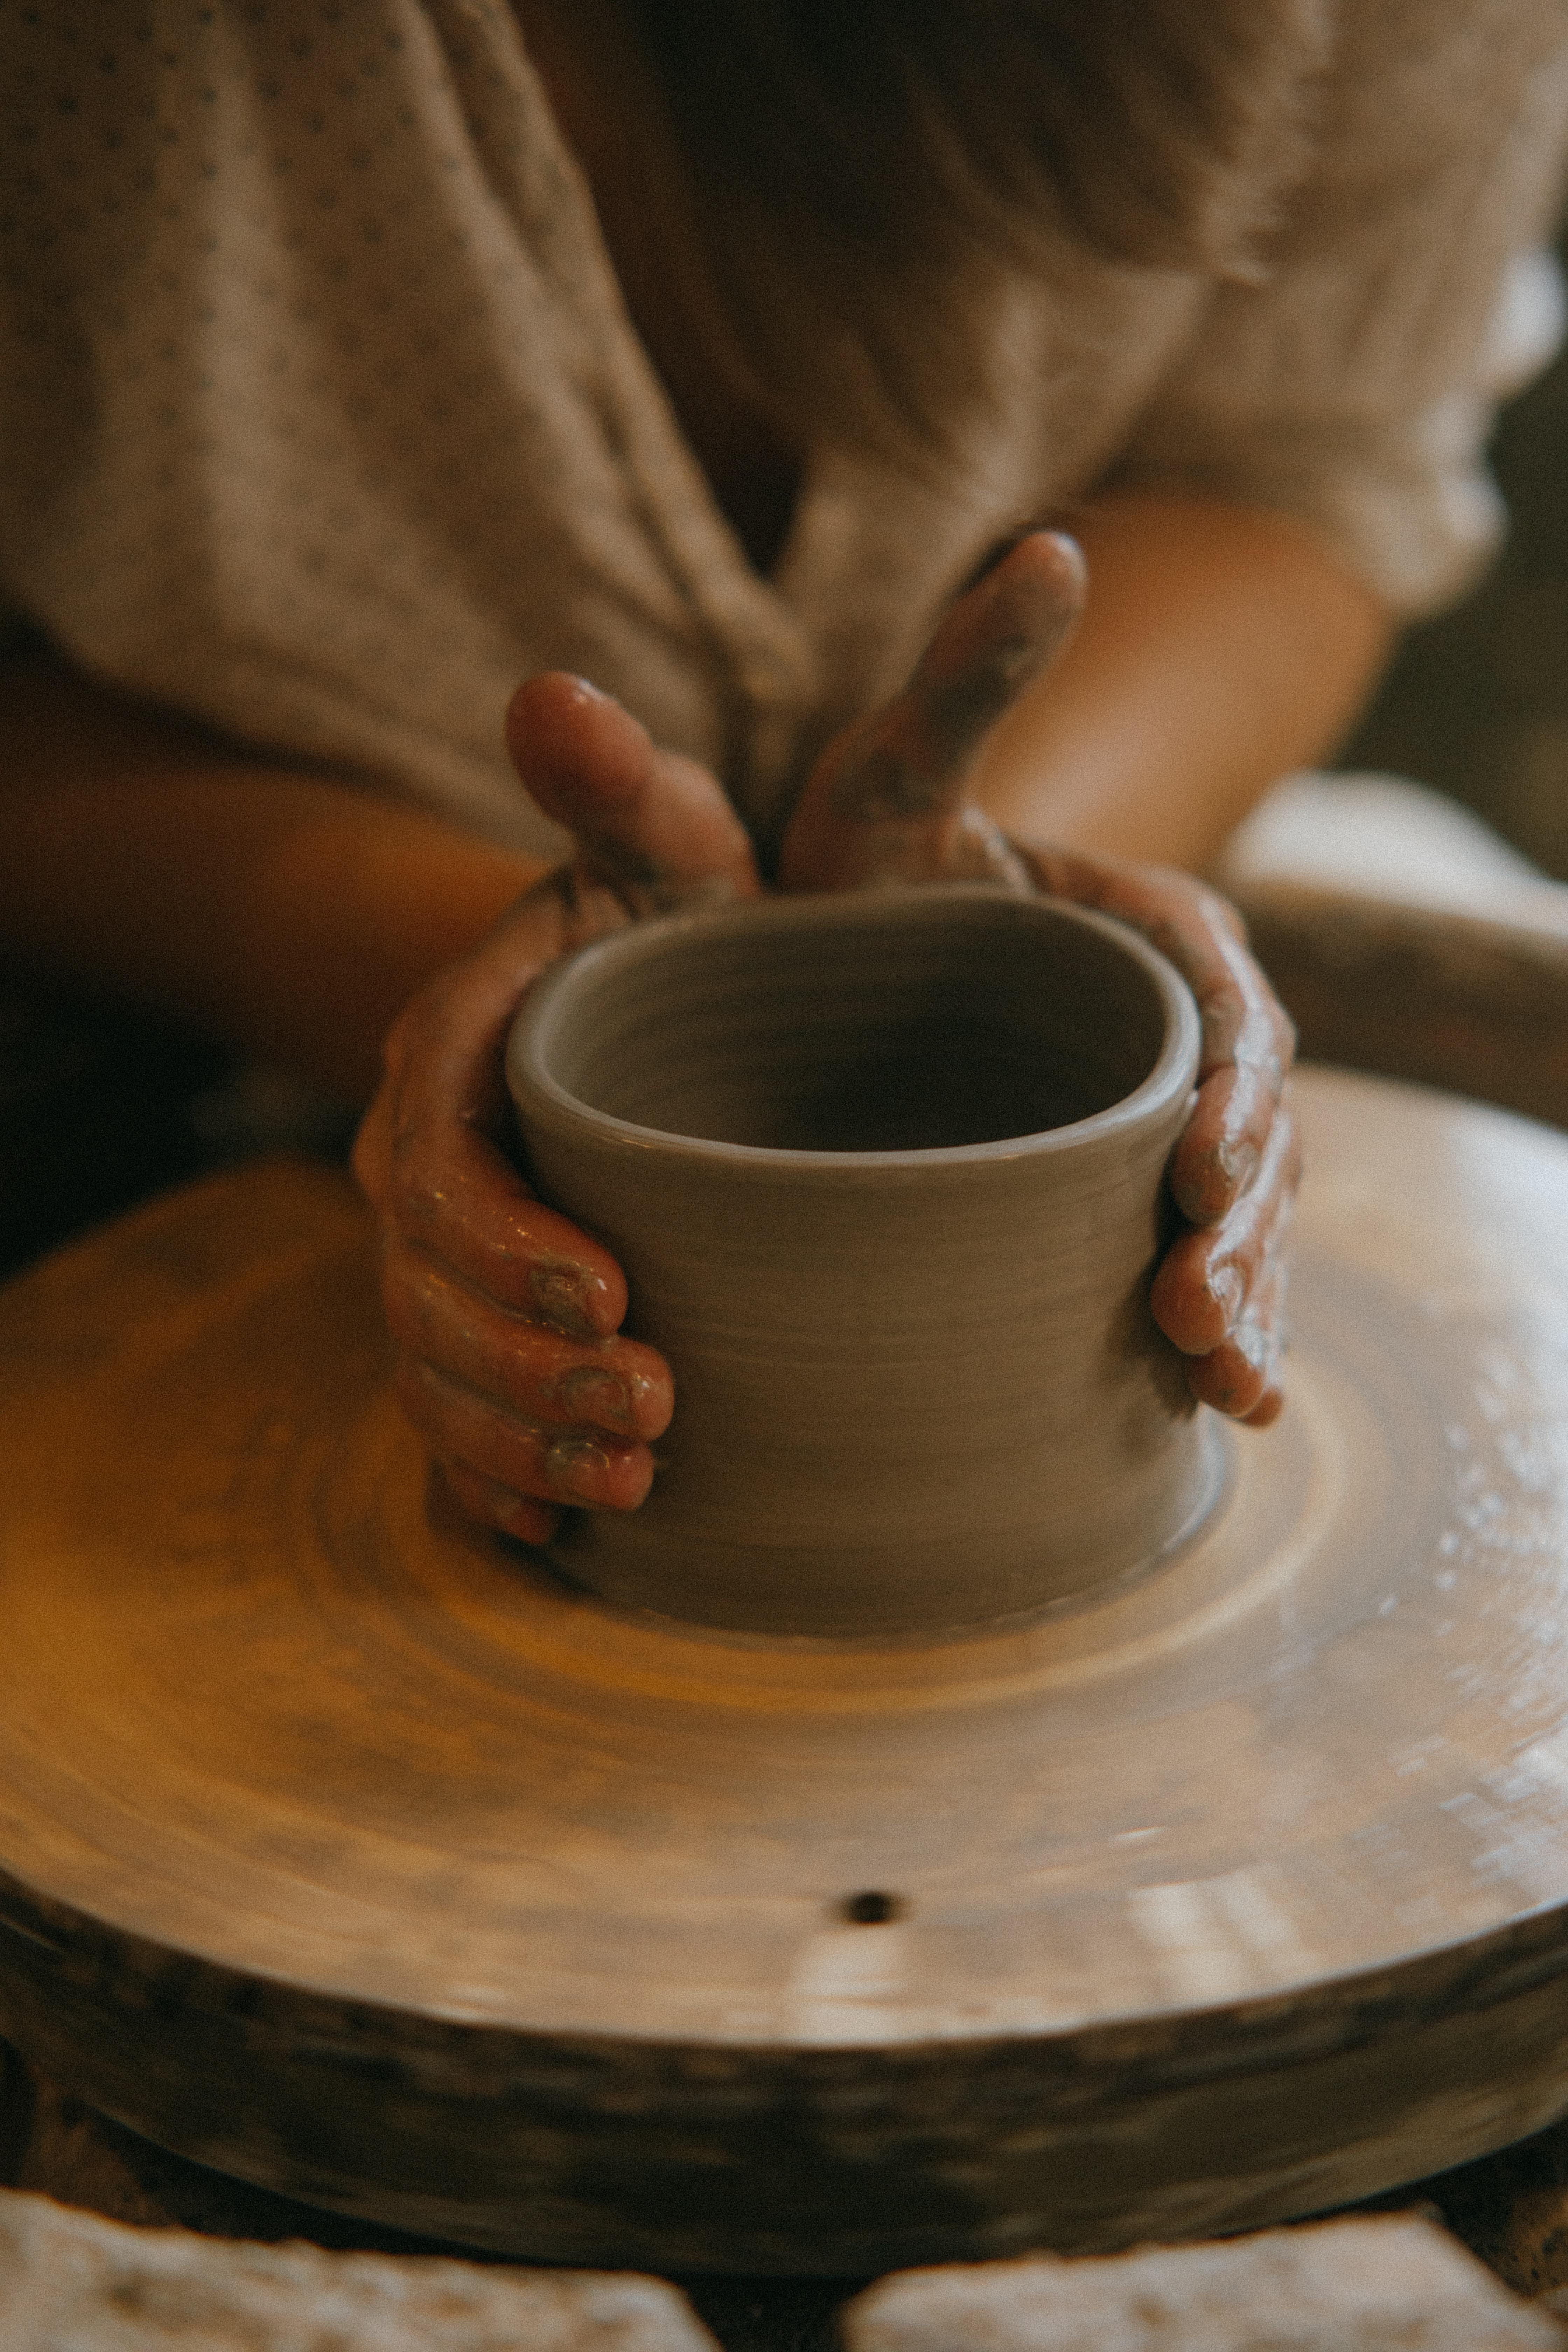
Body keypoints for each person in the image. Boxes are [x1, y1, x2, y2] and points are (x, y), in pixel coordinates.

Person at [2, 1, 1564, 1549]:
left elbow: (1292, 468)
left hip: (1084, 783)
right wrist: (473, 1015)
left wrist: (977, 921)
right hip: (155, 960)